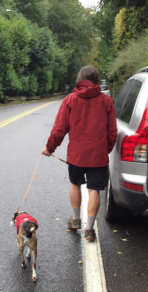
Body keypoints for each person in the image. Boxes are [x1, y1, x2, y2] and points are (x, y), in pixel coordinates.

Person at [42, 65, 117, 241]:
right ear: (97, 80)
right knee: (94, 190)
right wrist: (105, 149)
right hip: (98, 155)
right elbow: (112, 131)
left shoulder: (70, 100)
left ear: (80, 79)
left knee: (75, 184)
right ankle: (89, 230)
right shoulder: (106, 101)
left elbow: (59, 128)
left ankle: (76, 220)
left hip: (76, 154)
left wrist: (49, 148)